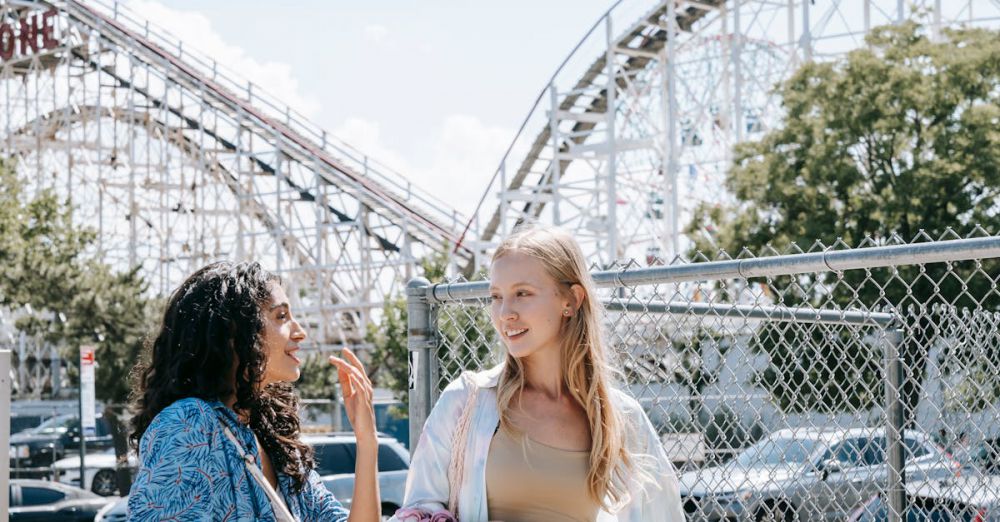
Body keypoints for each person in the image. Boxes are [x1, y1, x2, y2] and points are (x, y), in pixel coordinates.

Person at [393, 226, 684, 521]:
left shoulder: (623, 418)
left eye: (522, 293)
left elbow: (664, 514)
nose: (505, 312)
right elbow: (419, 508)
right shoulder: (465, 402)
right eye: (496, 296)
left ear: (570, 301)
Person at [127, 261, 380, 522]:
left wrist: (367, 441)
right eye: (281, 316)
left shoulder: (274, 439)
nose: (301, 332)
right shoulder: (190, 423)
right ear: (234, 333)